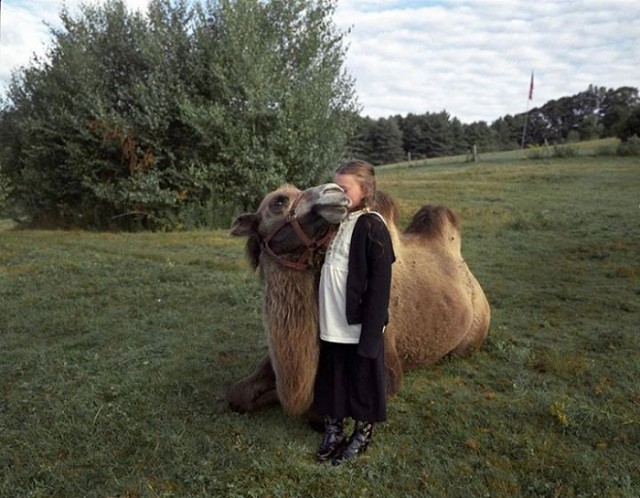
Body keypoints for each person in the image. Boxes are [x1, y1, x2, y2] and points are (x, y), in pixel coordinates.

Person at [313, 159, 395, 465]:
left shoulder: (373, 226)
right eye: (335, 187)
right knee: (333, 374)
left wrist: (372, 332)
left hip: (360, 322)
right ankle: (333, 428)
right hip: (332, 318)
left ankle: (362, 433)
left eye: (344, 189)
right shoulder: (336, 222)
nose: (338, 195)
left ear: (365, 190)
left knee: (363, 377)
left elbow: (380, 284)